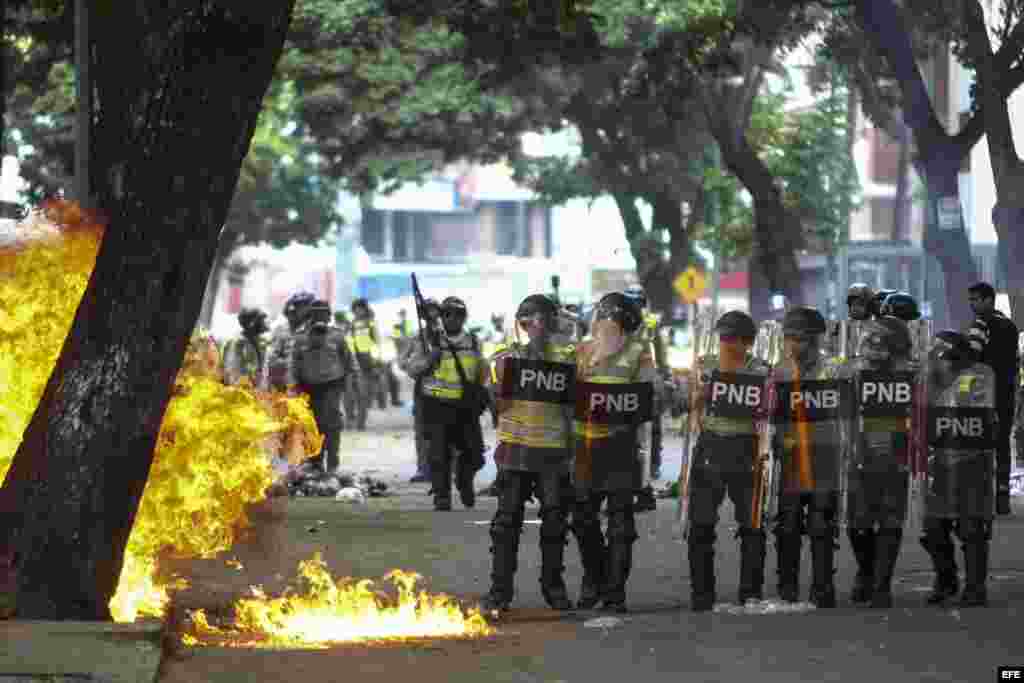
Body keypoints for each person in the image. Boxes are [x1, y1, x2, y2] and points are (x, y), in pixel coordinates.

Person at [480, 294, 577, 613]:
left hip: (552, 453)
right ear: (521, 326)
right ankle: (500, 591)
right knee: (506, 523)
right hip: (515, 451)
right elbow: (496, 405)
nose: (535, 330)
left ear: (551, 326)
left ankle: (554, 588)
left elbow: (573, 407)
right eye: (529, 324)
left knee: (554, 522)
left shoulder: (566, 360)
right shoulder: (504, 359)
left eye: (541, 324)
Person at [571, 292, 657, 612]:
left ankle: (614, 591)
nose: (607, 326)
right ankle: (594, 578)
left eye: (614, 322)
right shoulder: (580, 351)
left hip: (620, 446)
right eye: (603, 320)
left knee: (621, 523)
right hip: (584, 446)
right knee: (582, 519)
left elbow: (650, 393)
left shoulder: (639, 354)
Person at [685, 311, 771, 610]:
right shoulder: (705, 366)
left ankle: (750, 591)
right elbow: (690, 406)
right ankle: (701, 594)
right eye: (722, 337)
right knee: (700, 525)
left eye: (732, 338)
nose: (725, 344)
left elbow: (770, 411)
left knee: (753, 525)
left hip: (746, 450)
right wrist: (698, 394)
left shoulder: (761, 370)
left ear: (747, 342)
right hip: (710, 448)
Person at [770, 306, 849, 607]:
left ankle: (823, 588)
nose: (794, 345)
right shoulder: (777, 372)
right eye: (789, 338)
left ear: (816, 341)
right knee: (788, 525)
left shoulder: (835, 370)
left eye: (801, 339)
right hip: (790, 458)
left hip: (824, 457)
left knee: (821, 524)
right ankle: (787, 588)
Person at [845, 316, 920, 608]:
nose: (873, 348)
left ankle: (881, 584)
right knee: (856, 525)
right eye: (870, 341)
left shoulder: (911, 375)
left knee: (890, 521)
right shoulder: (853, 372)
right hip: (859, 454)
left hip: (896, 457)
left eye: (881, 343)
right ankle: (866, 571)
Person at [921, 330, 997, 606]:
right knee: (933, 528)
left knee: (972, 527)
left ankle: (976, 587)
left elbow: (980, 412)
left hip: (973, 462)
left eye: (941, 357)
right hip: (940, 463)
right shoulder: (931, 380)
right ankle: (946, 579)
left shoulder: (980, 376)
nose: (937, 362)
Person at [402, 295, 489, 510]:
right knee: (439, 454)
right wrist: (430, 359)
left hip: (465, 407)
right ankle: (442, 496)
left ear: (464, 317)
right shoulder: (429, 340)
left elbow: (482, 371)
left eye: (459, 314)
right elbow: (412, 369)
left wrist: (484, 396)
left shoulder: (473, 341)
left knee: (475, 455)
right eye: (448, 314)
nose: (453, 318)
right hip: (436, 405)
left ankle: (463, 479)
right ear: (442, 317)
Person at [966, 282, 1019, 515]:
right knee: (1002, 444)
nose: (972, 304)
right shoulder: (1010, 326)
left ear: (989, 299)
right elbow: (1015, 361)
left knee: (979, 442)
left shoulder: (979, 325)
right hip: (1006, 392)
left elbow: (971, 357)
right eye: (971, 300)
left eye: (976, 299)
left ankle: (980, 493)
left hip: (983, 394)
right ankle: (1003, 494)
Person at [290, 300, 357, 474]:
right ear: (310, 314)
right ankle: (315, 462)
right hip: (308, 387)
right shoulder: (300, 337)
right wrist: (293, 385)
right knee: (312, 425)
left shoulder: (337, 335)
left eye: (324, 312)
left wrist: (350, 383)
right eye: (317, 312)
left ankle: (333, 462)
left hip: (332, 386)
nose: (321, 316)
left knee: (332, 424)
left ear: (329, 315)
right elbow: (294, 363)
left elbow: (349, 361)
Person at [624, 284, 669, 483]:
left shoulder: (651, 321)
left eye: (638, 301)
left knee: (654, 418)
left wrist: (665, 373)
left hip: (643, 372)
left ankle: (653, 464)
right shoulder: (615, 319)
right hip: (624, 374)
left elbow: (660, 350)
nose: (636, 305)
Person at [400, 298, 442, 484]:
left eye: (434, 311)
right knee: (422, 431)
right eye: (426, 311)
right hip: (423, 388)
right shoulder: (417, 337)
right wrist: (421, 365)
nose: (430, 315)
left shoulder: (448, 336)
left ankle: (448, 469)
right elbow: (403, 361)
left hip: (446, 389)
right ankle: (423, 469)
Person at [268, 291, 316, 391]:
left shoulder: (316, 329)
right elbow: (272, 358)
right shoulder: (282, 330)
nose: (304, 309)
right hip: (288, 384)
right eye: (301, 306)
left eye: (307, 305)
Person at [222, 307, 270, 389]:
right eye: (261, 320)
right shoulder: (239, 343)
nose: (265, 323)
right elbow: (235, 372)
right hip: (240, 392)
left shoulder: (260, 342)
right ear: (252, 323)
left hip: (255, 391)